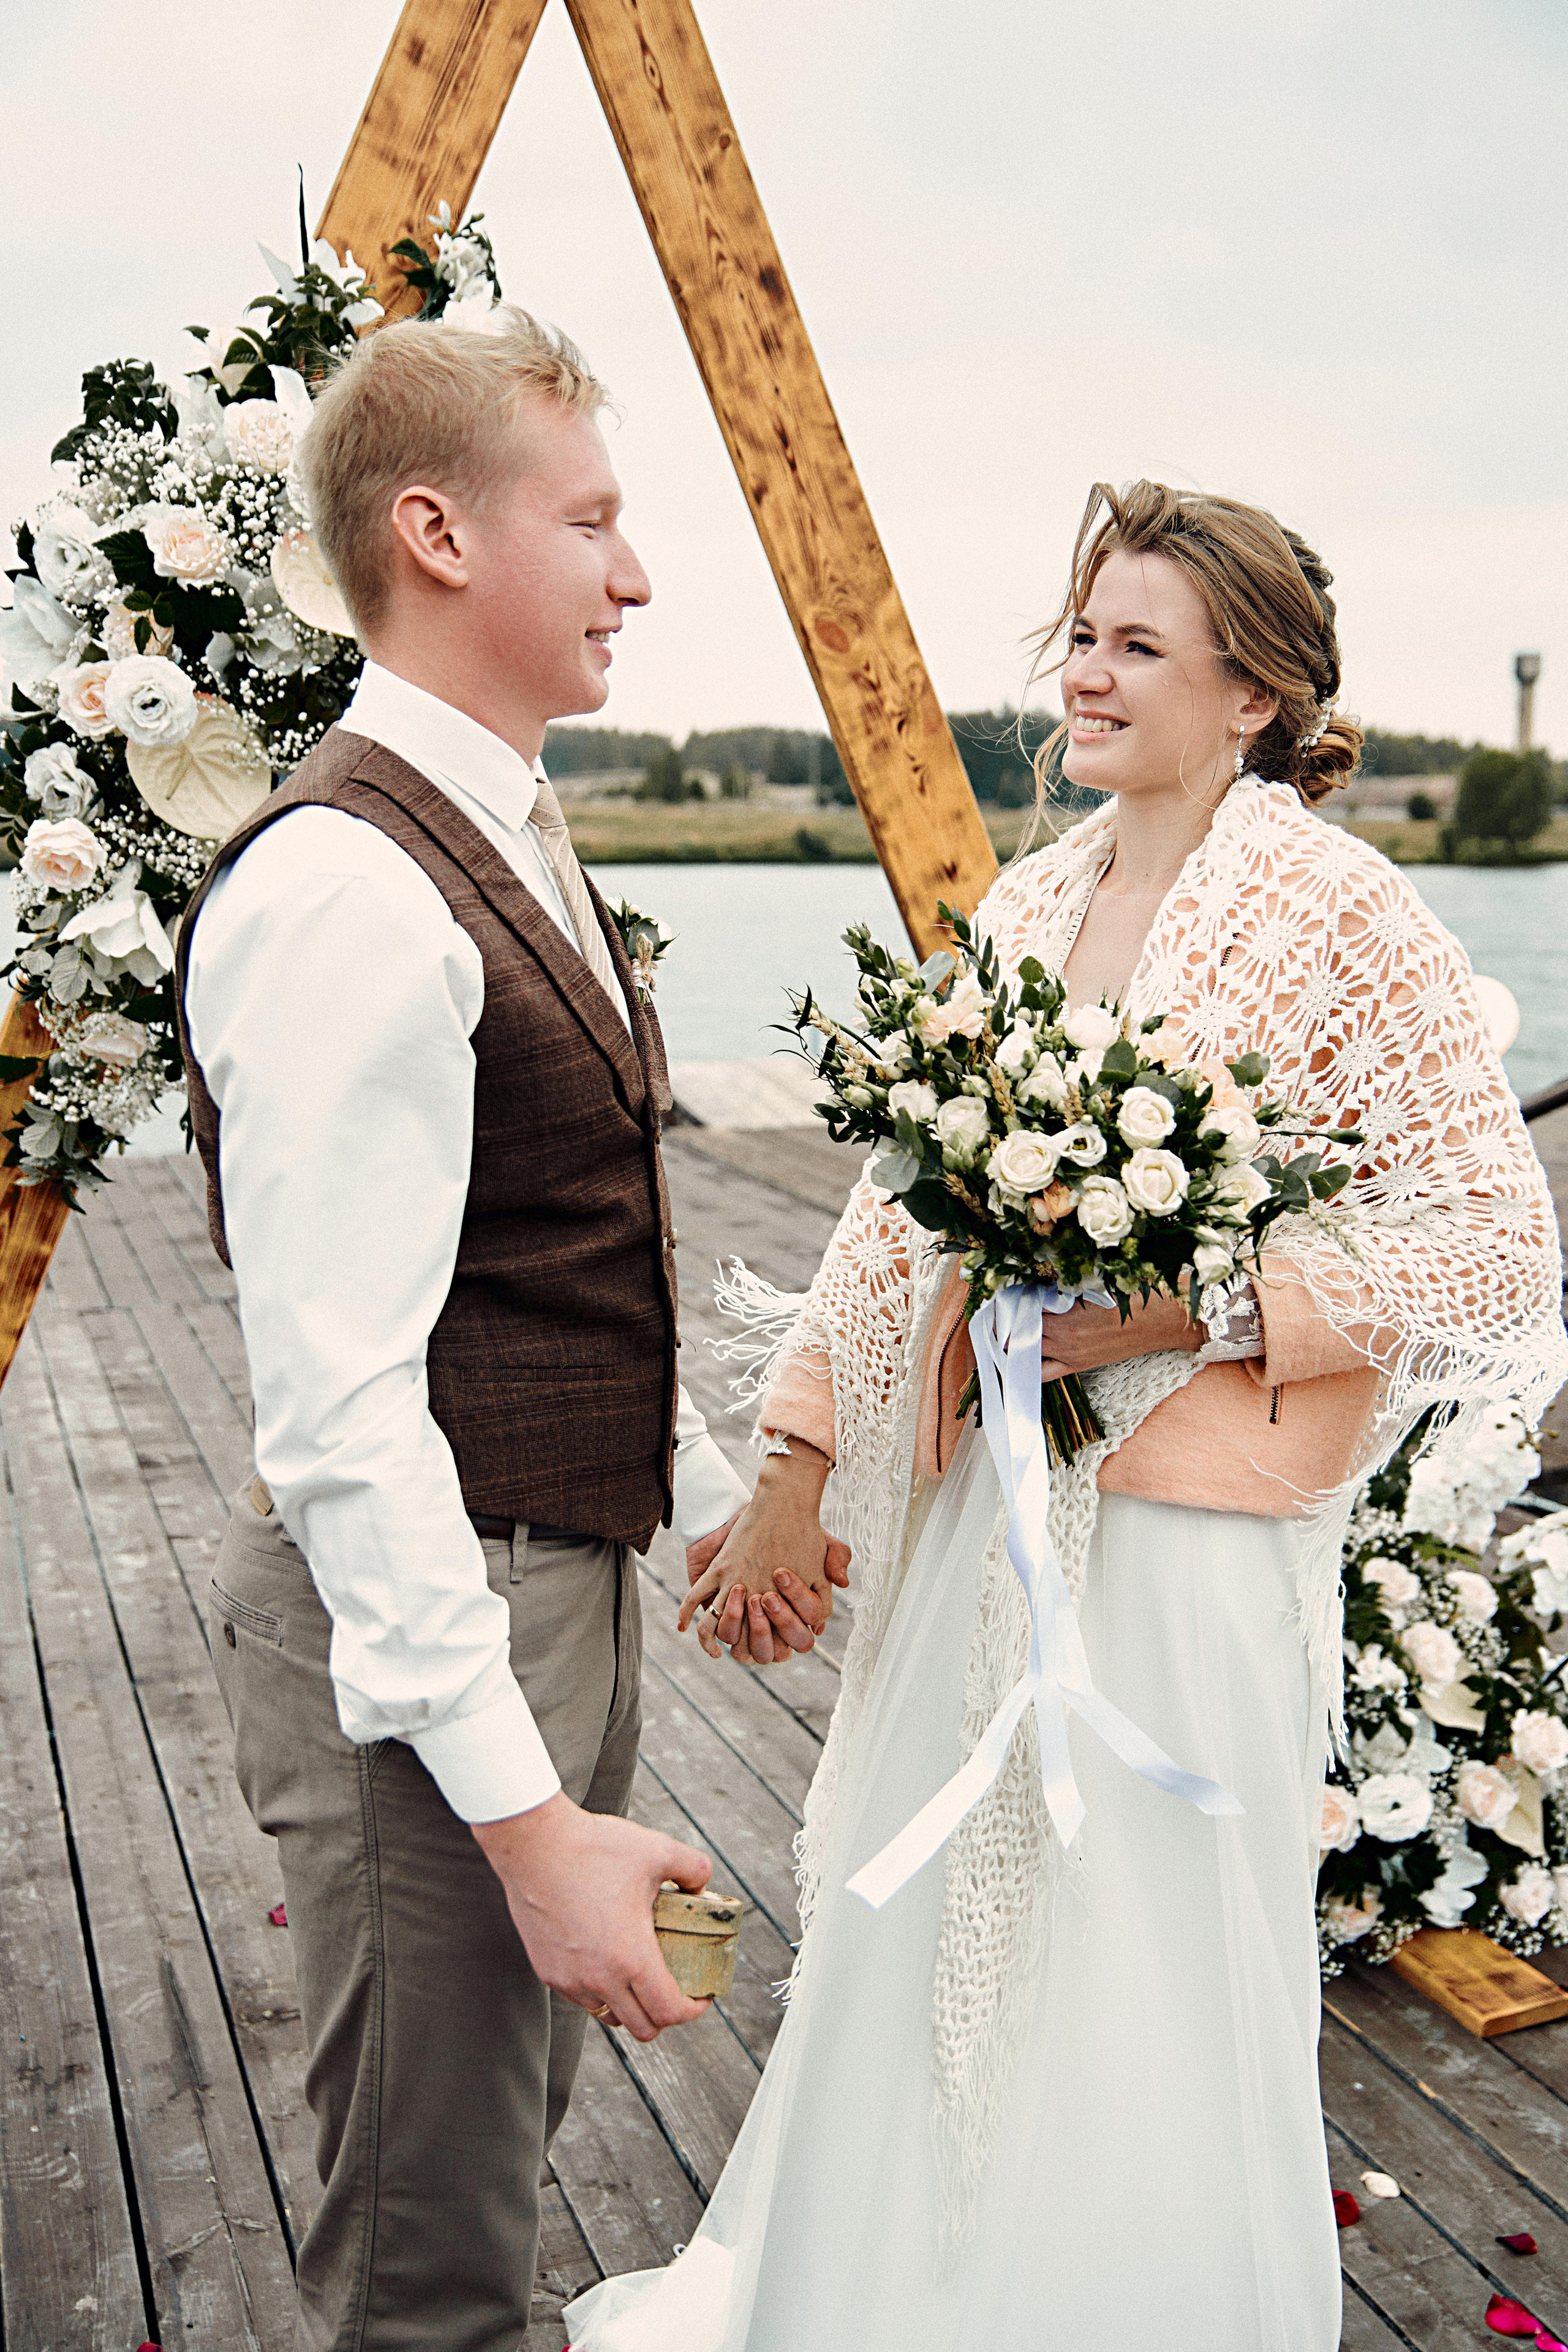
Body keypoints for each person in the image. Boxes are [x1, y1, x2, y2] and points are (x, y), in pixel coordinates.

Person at [564, 481, 1568, 2350]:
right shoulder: (1032, 895)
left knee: (1144, 1958)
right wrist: (796, 1471)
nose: (1084, 676)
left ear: (1254, 693)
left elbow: (1502, 1244)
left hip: (1191, 1555)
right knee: (939, 1918)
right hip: (984, 1525)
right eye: (1082, 634)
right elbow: (890, 1217)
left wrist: (1193, 1304)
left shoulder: (1342, 913)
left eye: (1137, 646)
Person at [176, 307, 835, 2349]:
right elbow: (348, 1411)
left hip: (562, 1578)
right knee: (431, 2260)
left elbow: (555, 1229)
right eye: (599, 522)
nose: (637, 576)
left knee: (495, 2153)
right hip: (430, 1630)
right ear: (440, 533)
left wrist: (705, 1496)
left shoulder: (513, 828)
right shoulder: (351, 894)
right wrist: (526, 1823)